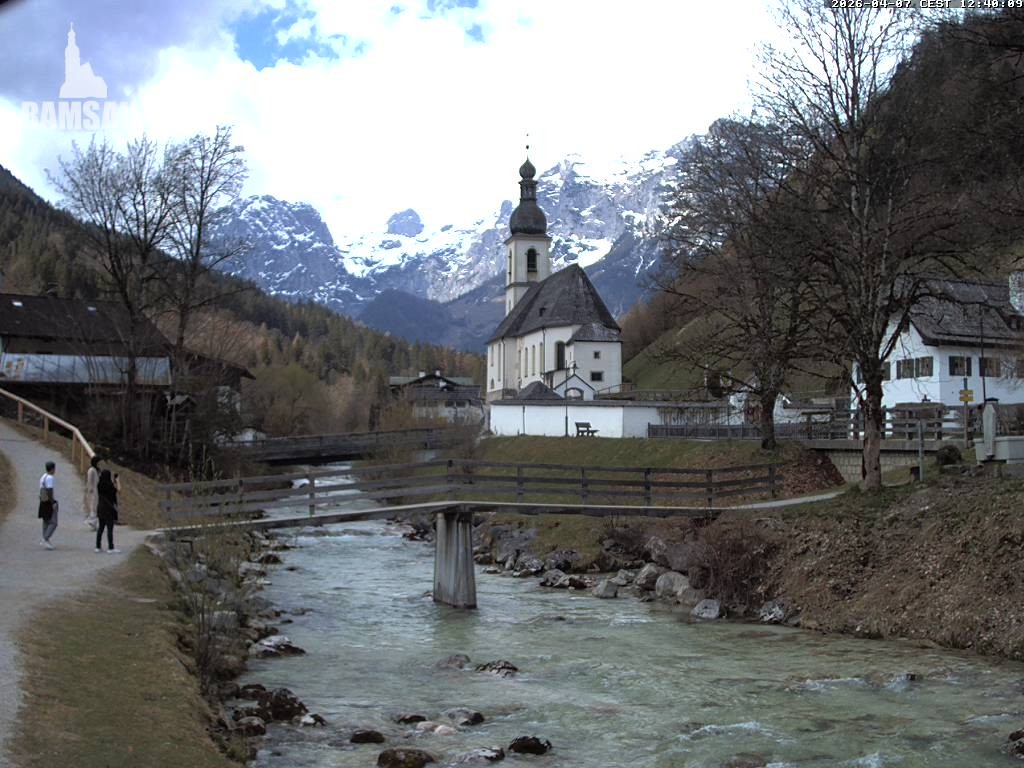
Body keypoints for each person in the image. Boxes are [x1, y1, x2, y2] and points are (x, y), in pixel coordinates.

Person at [95, 469, 121, 554]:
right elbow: (118, 490)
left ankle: (98, 546)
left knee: (100, 528)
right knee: (110, 529)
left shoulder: (99, 484)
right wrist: (117, 481)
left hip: (100, 507)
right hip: (109, 509)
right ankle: (110, 547)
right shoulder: (110, 486)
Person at [38, 461, 58, 550]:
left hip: (43, 501)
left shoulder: (43, 477)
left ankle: (46, 538)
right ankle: (45, 538)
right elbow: (49, 490)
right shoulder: (50, 478)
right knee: (54, 522)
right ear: (53, 469)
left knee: (46, 521)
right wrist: (53, 502)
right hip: (48, 502)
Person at [83, 455, 100, 530]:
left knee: (95, 506)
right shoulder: (91, 470)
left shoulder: (97, 470)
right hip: (92, 491)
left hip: (96, 490)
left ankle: (94, 522)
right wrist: (89, 489)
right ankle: (92, 522)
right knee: (92, 506)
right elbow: (89, 480)